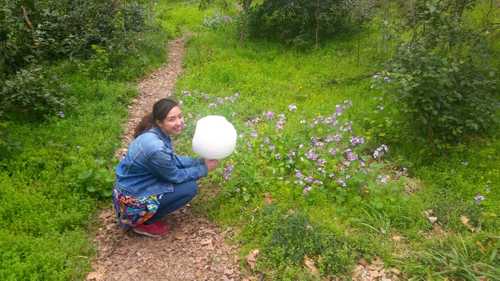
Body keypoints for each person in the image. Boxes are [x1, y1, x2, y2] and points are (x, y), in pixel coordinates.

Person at [113, 98, 218, 237]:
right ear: (159, 122)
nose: (179, 122)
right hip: (131, 202)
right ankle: (141, 223)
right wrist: (204, 169)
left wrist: (198, 161)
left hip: (129, 191)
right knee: (189, 188)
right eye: (172, 119)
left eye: (180, 116)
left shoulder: (153, 133)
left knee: (183, 182)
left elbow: (171, 160)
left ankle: (142, 215)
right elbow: (175, 176)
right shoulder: (155, 148)